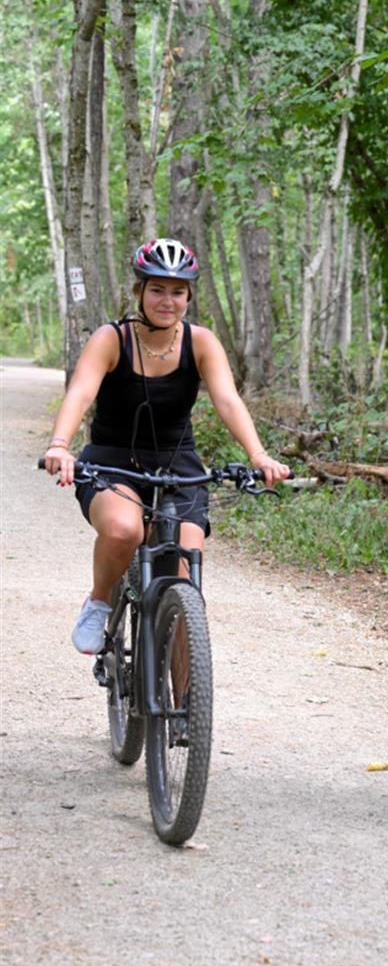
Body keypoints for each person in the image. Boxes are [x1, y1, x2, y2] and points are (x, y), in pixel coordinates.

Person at [43, 237, 291, 655]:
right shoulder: (111, 339)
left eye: (178, 292)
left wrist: (258, 455)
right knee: (124, 530)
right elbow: (81, 393)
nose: (167, 300)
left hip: (180, 468)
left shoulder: (200, 342)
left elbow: (228, 401)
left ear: (189, 296)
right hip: (112, 465)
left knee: (185, 578)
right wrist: (60, 444)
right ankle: (100, 600)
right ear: (139, 291)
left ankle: (186, 716)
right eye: (157, 289)